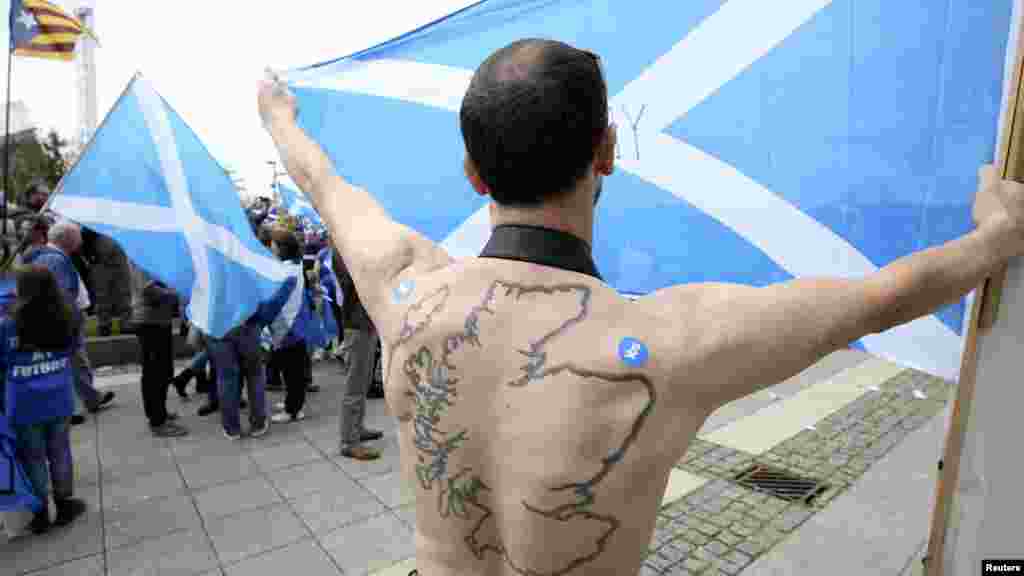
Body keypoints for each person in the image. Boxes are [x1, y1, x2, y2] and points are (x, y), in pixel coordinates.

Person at [258, 39, 1024, 575]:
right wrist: (997, 236)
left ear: (473, 174)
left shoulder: (405, 292)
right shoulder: (670, 343)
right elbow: (881, 298)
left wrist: (278, 116)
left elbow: (325, 185)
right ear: (608, 152)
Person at [1, 267, 88, 534]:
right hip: (58, 394)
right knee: (60, 449)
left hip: (23, 399)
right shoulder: (68, 315)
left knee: (33, 456)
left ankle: (39, 513)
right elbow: (74, 349)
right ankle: (64, 503)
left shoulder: (8, 324)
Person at [22, 222, 114, 425]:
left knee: (74, 361)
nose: (81, 241)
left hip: (65, 317)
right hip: (64, 319)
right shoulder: (54, 258)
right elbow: (61, 293)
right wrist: (68, 319)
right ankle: (71, 407)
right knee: (71, 361)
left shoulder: (53, 256)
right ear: (68, 239)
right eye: (78, 236)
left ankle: (89, 399)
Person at [330, 250, 384, 460]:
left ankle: (357, 428)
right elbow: (359, 281)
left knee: (362, 381)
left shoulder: (347, 250)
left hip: (364, 323)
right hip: (357, 324)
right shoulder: (343, 252)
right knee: (355, 383)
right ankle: (349, 441)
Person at [130, 267, 187, 437]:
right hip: (149, 321)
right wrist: (176, 293)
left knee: (163, 370)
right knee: (155, 372)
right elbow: (149, 290)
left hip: (159, 320)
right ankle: (157, 421)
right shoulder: (138, 255)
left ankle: (160, 412)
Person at [266, 228, 310, 423]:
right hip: (292, 325)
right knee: (292, 369)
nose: (270, 247)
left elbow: (276, 300)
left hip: (288, 326)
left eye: (273, 244)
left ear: (281, 248)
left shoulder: (287, 271)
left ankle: (293, 410)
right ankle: (292, 403)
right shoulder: (293, 265)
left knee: (292, 371)